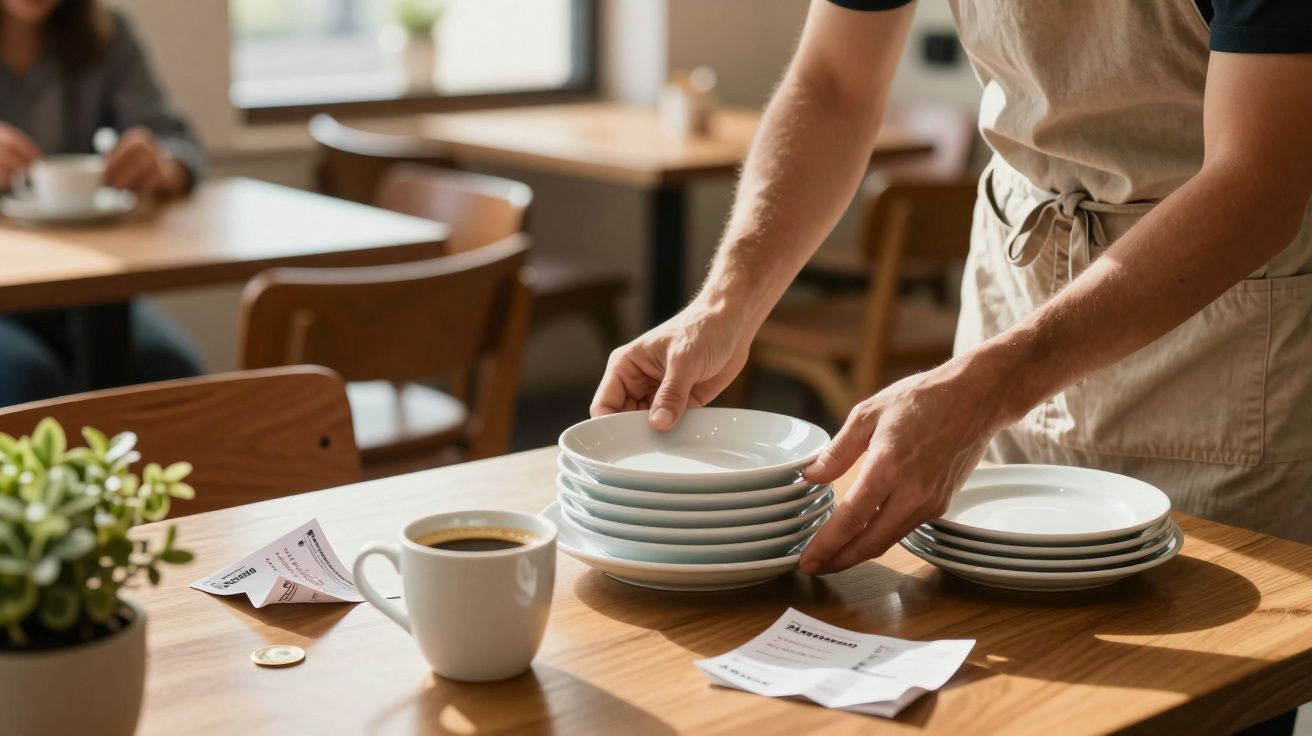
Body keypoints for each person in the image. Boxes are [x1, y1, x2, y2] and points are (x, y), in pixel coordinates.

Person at [592, 0, 1312, 576]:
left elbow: (1259, 180)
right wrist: (726, 300)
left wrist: (988, 387)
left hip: (1221, 340)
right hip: (1014, 298)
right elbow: (835, 85)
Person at [0, 0, 204, 405]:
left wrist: (162, 165)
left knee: (170, 373)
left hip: (95, 287)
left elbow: (178, 143)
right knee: (28, 380)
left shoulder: (107, 36)